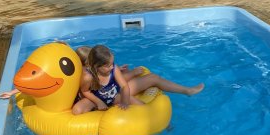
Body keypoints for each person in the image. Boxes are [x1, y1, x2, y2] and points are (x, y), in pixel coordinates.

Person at [72, 44, 204, 114]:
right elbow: (85, 91)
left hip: (115, 94)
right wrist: (98, 102)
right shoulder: (88, 77)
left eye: (112, 63)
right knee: (77, 110)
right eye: (108, 65)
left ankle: (187, 91)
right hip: (98, 99)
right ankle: (153, 116)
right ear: (96, 66)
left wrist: (124, 102)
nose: (112, 67)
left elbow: (124, 86)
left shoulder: (113, 68)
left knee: (153, 78)